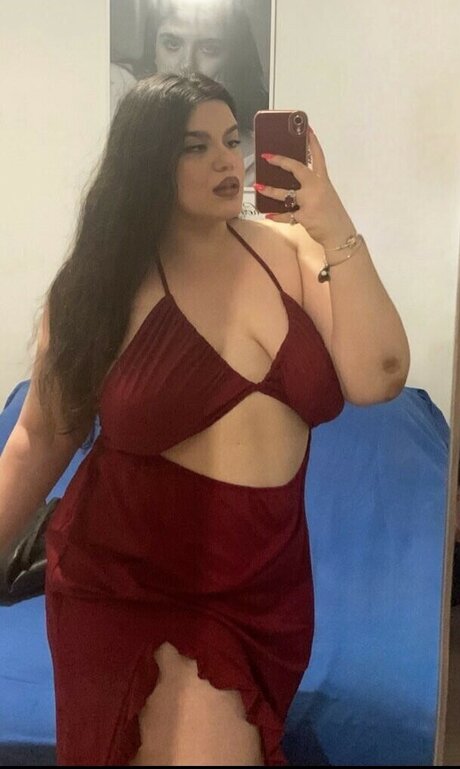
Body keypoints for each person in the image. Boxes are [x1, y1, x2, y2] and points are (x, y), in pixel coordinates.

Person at [0, 72, 410, 765]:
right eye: (195, 146)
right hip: (134, 581)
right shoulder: (100, 289)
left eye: (229, 139)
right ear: (147, 165)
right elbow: (39, 437)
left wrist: (332, 221)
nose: (227, 161)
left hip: (269, 588)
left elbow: (380, 375)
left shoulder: (293, 251)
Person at [111, 0, 269, 185]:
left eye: (209, 49)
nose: (187, 65)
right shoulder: (116, 89)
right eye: (172, 44)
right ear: (153, 50)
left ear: (234, 61)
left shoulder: (256, 161)